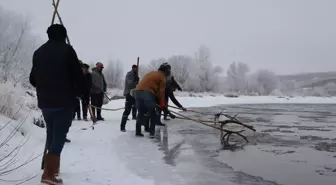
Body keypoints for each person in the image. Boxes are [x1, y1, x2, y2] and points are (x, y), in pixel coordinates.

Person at [29, 24, 83, 185]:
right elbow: (77, 76)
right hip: (64, 101)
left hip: (45, 102)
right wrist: (78, 92)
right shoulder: (68, 50)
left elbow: (32, 78)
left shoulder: (38, 52)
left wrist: (44, 86)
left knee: (51, 134)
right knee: (59, 137)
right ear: (64, 35)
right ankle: (49, 174)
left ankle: (51, 168)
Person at [134, 63, 170, 138]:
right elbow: (161, 93)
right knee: (153, 112)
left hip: (137, 92)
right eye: (168, 70)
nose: (169, 72)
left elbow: (154, 90)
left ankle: (138, 131)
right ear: (165, 70)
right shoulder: (162, 77)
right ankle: (152, 132)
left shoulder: (151, 73)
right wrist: (163, 105)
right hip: (147, 92)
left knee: (141, 112)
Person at [120, 65, 139, 132]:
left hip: (134, 93)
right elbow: (130, 83)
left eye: (137, 69)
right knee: (127, 110)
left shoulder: (135, 74)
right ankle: (122, 127)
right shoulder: (129, 74)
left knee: (137, 107)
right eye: (135, 69)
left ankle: (135, 117)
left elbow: (136, 85)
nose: (136, 70)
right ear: (133, 68)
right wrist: (135, 80)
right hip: (129, 94)